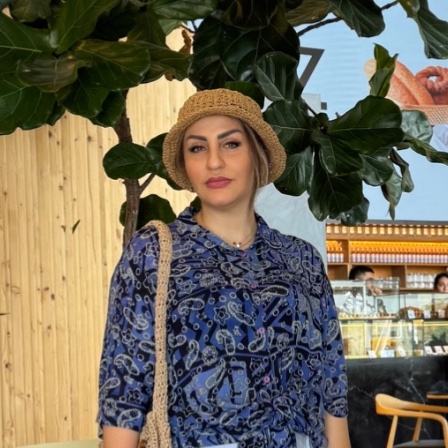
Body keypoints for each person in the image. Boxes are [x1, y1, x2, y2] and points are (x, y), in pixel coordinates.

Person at [97, 89, 351, 448]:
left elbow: (331, 386)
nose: (214, 162)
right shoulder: (152, 254)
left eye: (231, 144)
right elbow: (124, 389)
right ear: (186, 165)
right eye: (197, 148)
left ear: (257, 155)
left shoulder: (301, 261)